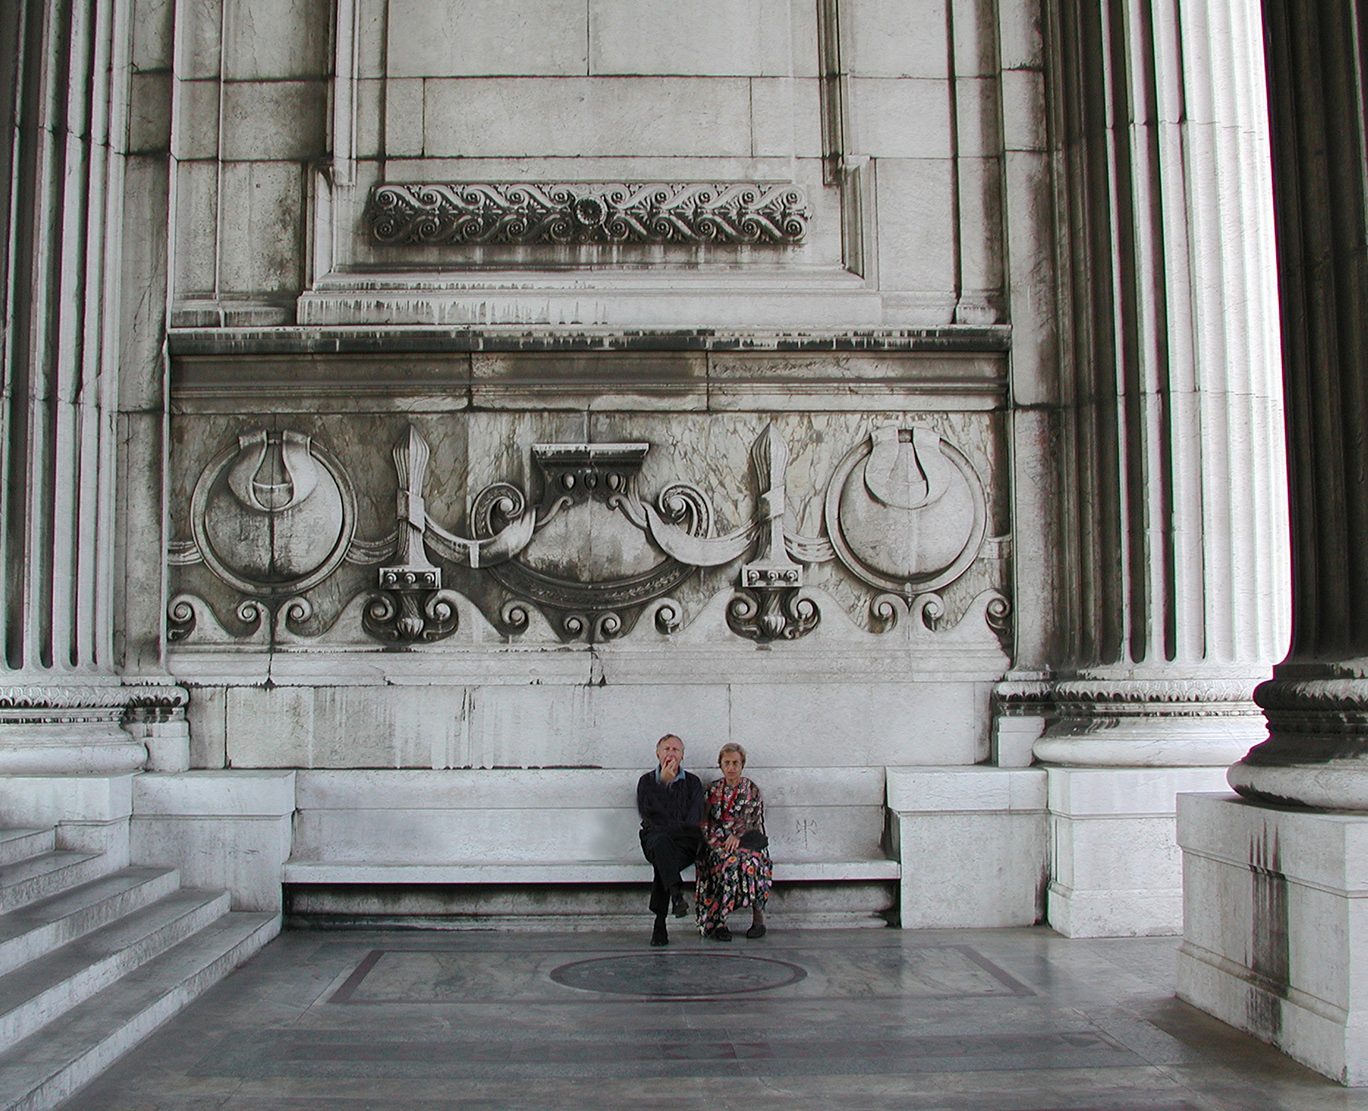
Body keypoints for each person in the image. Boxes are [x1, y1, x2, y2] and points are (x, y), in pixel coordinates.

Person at [696, 743, 772, 941]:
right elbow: (705, 822)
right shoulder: (712, 790)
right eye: (727, 763)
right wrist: (721, 841)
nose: (731, 767)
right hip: (717, 845)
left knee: (753, 863)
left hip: (746, 843)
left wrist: (738, 838)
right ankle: (719, 922)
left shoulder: (751, 789)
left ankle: (758, 919)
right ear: (720, 765)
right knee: (725, 864)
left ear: (742, 765)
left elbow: (755, 821)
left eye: (735, 763)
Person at [637, 733, 705, 947]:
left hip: (684, 843)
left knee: (663, 857)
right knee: (661, 843)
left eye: (675, 750)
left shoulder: (692, 782)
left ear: (682, 755)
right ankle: (675, 894)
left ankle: (661, 921)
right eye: (666, 749)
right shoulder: (647, 781)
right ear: (658, 754)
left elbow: (693, 820)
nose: (671, 754)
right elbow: (648, 816)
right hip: (654, 839)